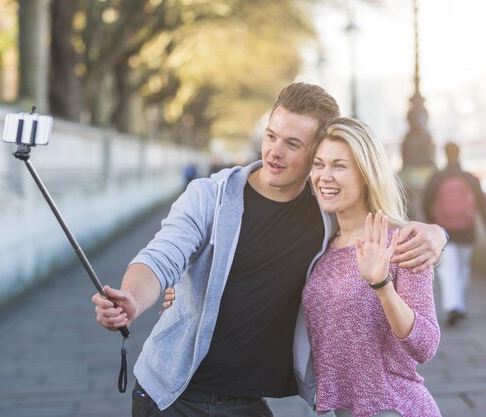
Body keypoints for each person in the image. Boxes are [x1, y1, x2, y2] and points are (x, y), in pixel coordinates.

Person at [92, 82, 448, 417]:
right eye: (272, 136)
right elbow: (161, 257)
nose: (275, 152)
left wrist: (437, 233)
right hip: (171, 394)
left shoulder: (326, 213)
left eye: (293, 144)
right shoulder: (208, 197)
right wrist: (134, 298)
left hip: (249, 402)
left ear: (314, 152)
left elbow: (375, 224)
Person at [302, 117, 441, 417]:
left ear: (366, 173)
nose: (325, 176)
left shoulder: (401, 243)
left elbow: (426, 345)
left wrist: (382, 286)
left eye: (339, 166)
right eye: (318, 164)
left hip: (395, 408)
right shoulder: (322, 247)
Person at [422, 141, 486, 326]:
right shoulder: (470, 178)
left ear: (445, 154)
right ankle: (460, 306)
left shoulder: (438, 177)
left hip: (445, 233)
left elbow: (425, 203)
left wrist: (433, 226)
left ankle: (453, 307)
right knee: (462, 269)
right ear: (459, 154)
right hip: (467, 232)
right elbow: (483, 206)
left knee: (448, 270)